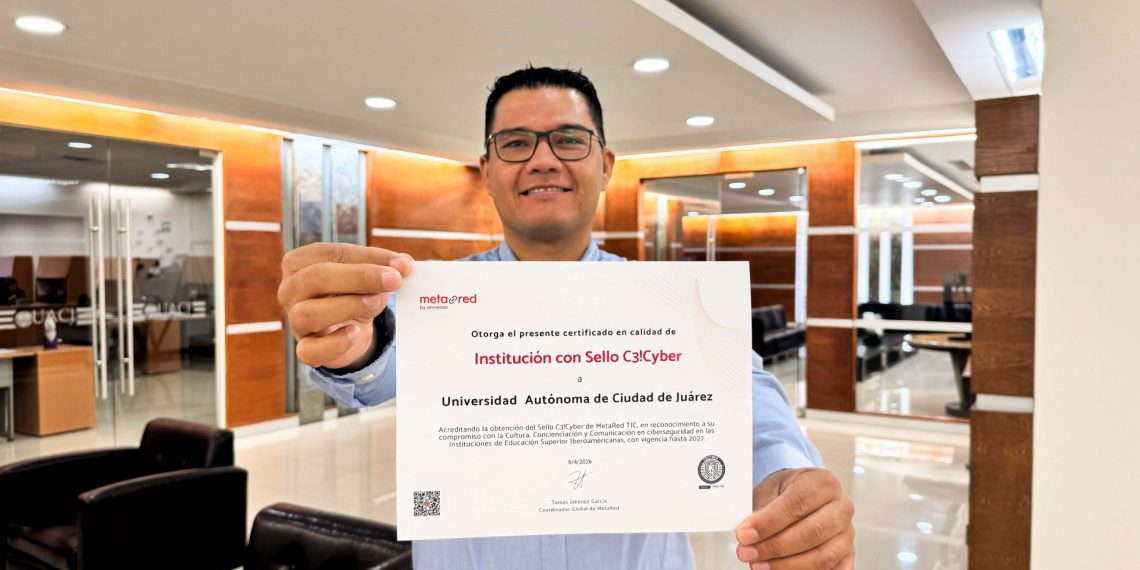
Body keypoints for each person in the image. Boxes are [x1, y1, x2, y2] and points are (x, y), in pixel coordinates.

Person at [278, 66, 855, 570]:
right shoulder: (435, 301)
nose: (543, 160)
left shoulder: (670, 301)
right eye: (516, 143)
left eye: (569, 140)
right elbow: (380, 361)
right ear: (487, 171)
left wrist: (786, 476)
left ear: (605, 166)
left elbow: (745, 394)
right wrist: (354, 339)